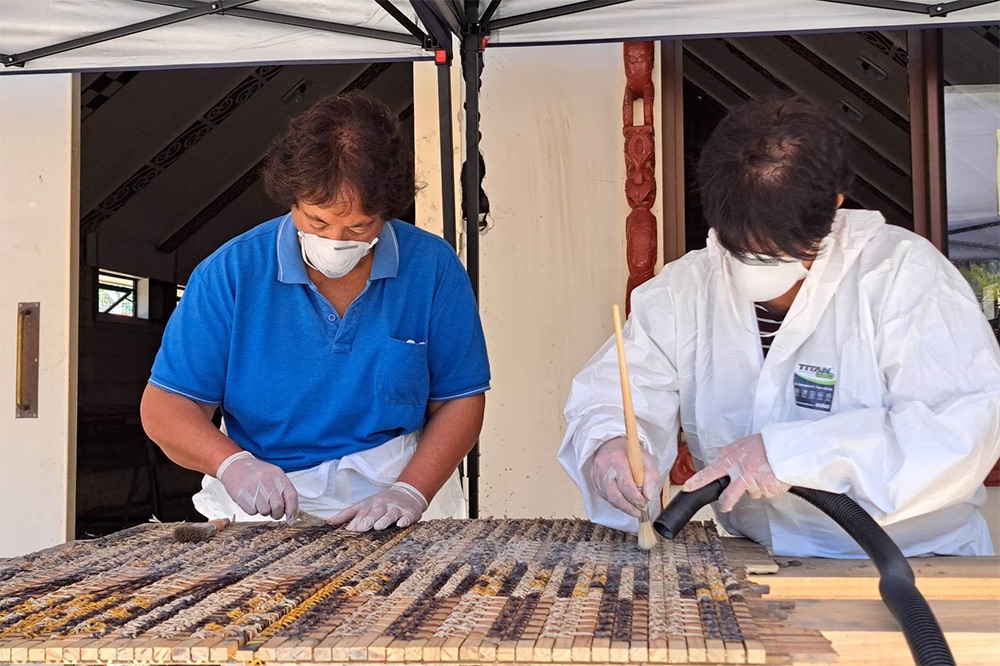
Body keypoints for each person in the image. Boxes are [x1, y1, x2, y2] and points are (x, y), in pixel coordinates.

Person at [560, 96, 1000, 558]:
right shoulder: (686, 288)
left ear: (833, 206)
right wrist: (611, 444)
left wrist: (794, 453)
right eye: (740, 250)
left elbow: (962, 429)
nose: (755, 269)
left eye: (777, 253)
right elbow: (621, 388)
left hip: (912, 559)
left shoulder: (904, 276)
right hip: (753, 557)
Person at [141, 91, 490, 532]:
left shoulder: (432, 267)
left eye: (360, 226)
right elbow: (167, 406)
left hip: (394, 495)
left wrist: (412, 490)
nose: (337, 240)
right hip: (263, 501)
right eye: (318, 222)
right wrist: (233, 466)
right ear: (291, 198)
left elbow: (460, 399)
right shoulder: (229, 272)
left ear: (388, 210)